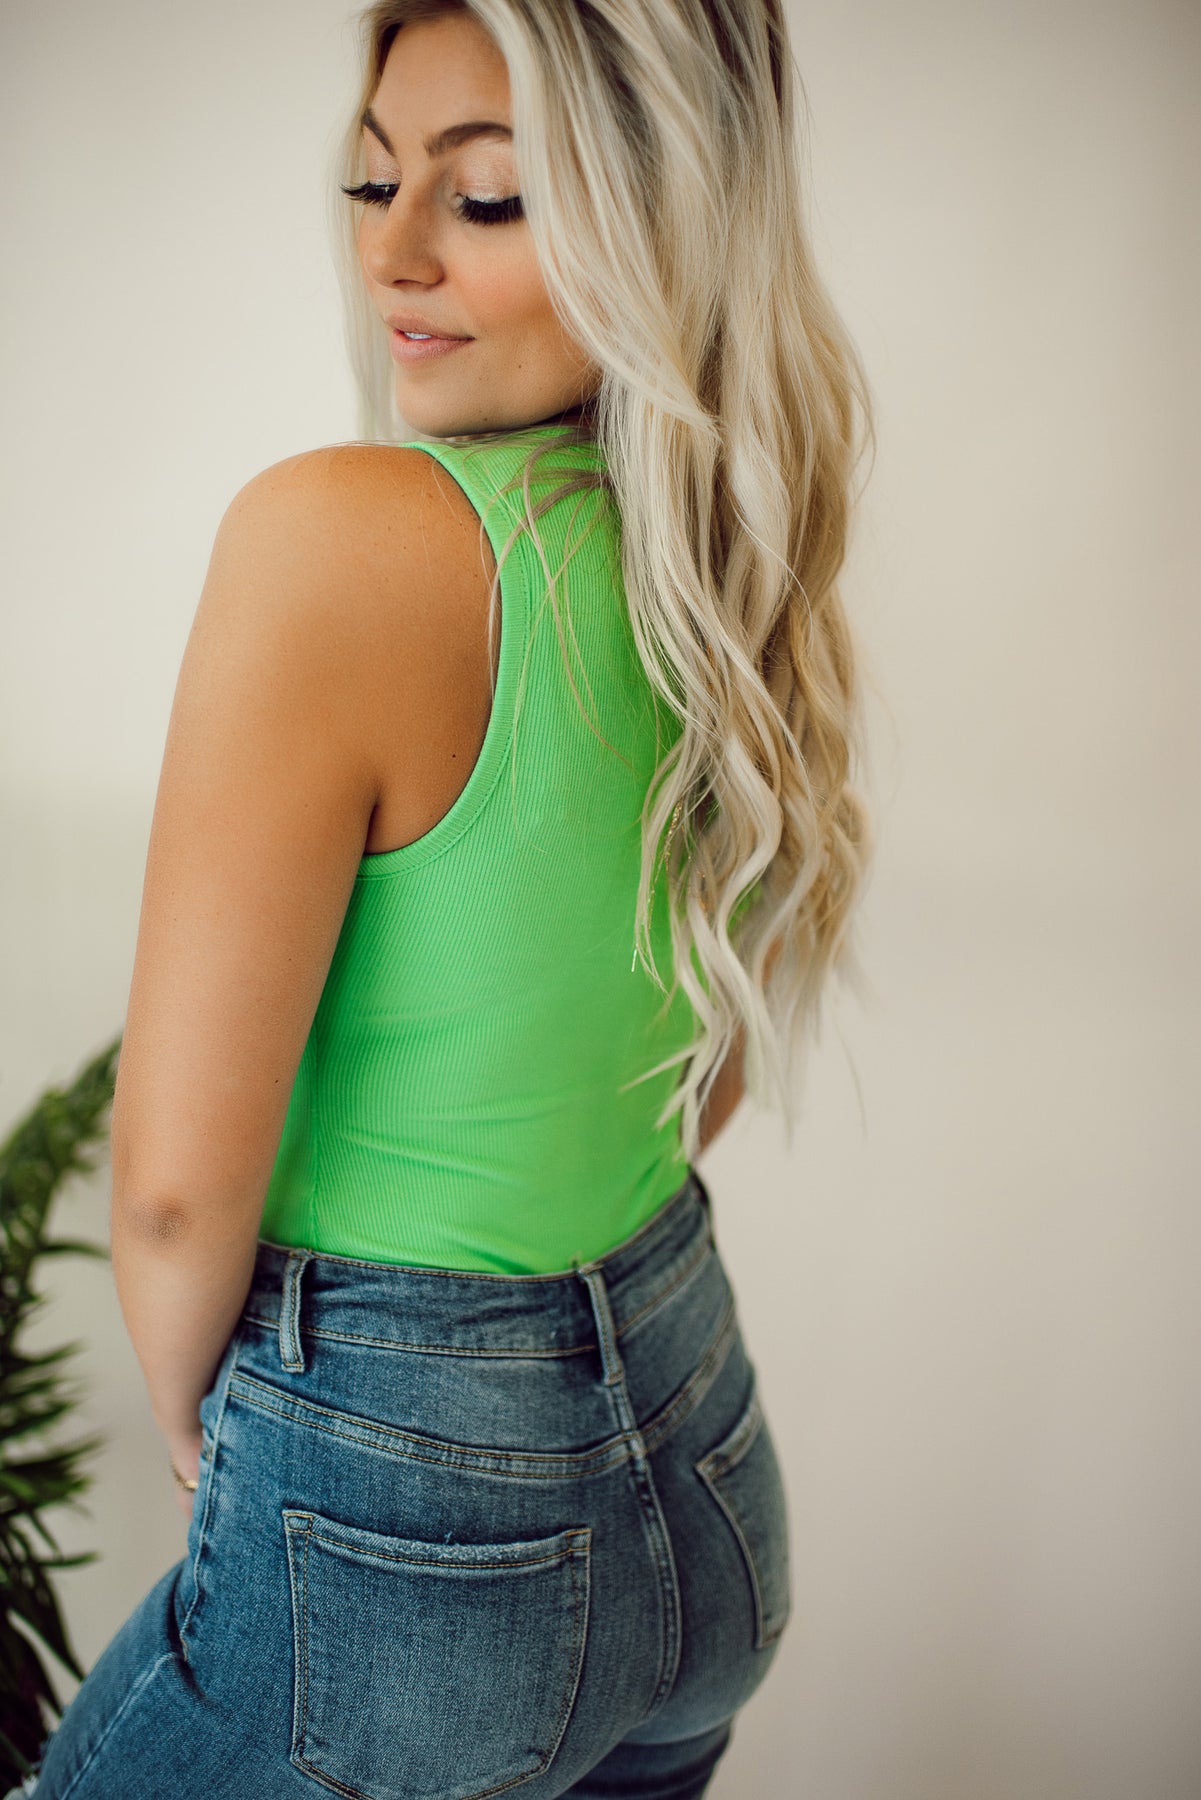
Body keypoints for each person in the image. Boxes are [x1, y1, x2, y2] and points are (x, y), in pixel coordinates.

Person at [16, 2, 874, 1795]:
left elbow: (170, 1191)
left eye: (485, 198)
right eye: (372, 181)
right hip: (706, 1487)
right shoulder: (730, 566)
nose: (393, 250)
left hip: (411, 1542)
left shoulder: (338, 542)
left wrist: (209, 1418)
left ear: (659, 218)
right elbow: (696, 1075)